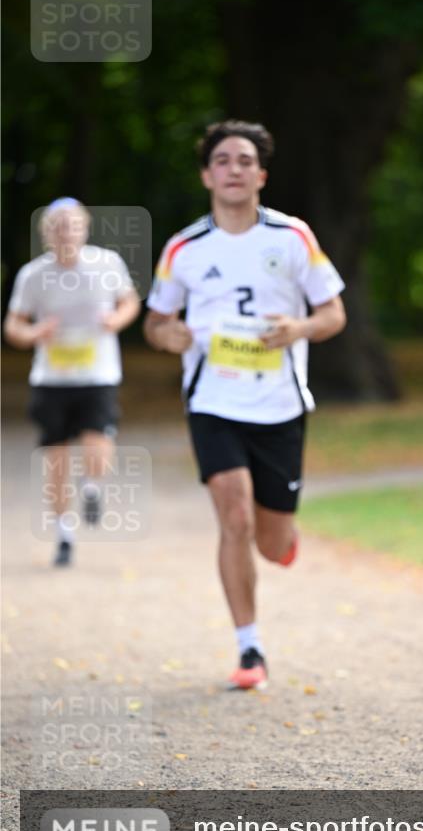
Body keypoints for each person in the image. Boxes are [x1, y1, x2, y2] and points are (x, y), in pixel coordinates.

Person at [144, 120, 346, 690]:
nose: (234, 169)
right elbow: (156, 322)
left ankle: (281, 538)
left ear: (261, 175)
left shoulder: (293, 236)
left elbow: (333, 314)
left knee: (270, 541)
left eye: (245, 161)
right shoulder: (183, 247)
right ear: (207, 176)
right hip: (213, 400)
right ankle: (249, 648)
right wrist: (168, 336)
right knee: (233, 516)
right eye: (222, 161)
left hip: (280, 405)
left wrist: (298, 328)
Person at [4, 198, 141, 566]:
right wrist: (34, 333)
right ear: (45, 233)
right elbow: (13, 326)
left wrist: (116, 320)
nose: (65, 232)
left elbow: (129, 302)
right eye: (57, 226)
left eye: (72, 225)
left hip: (98, 374)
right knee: (57, 461)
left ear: (85, 228)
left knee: (98, 446)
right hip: (51, 379)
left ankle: (92, 486)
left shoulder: (107, 264)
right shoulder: (33, 275)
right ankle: (64, 534)